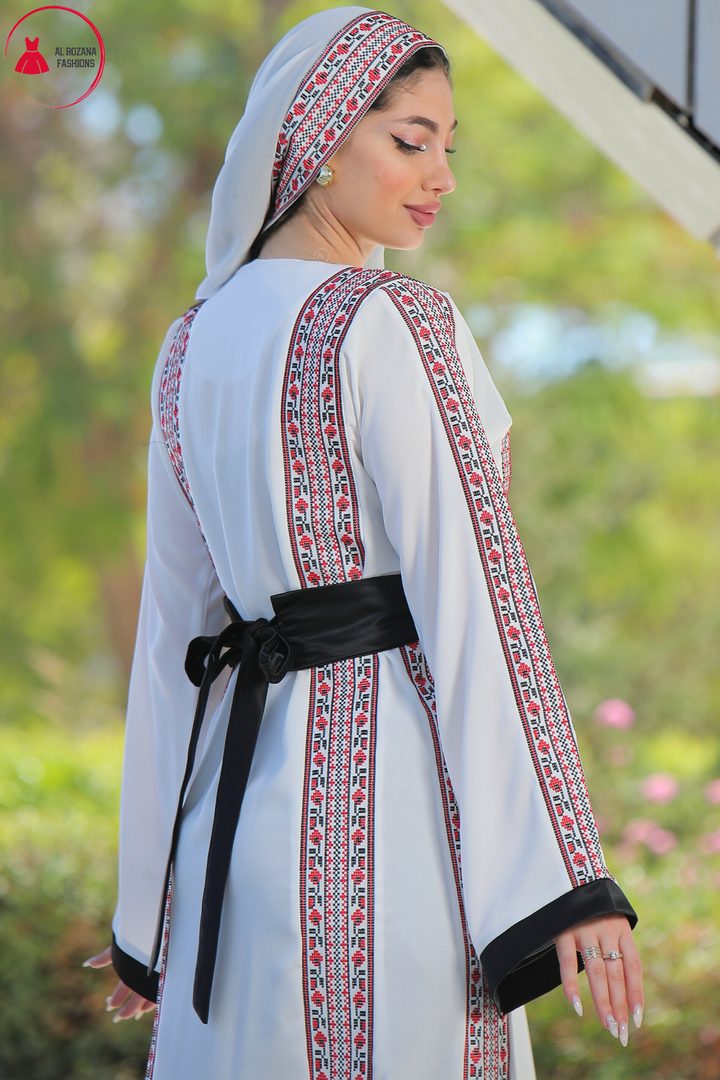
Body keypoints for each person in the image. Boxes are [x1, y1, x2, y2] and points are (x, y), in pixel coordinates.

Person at [84, 7, 644, 1078]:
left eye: (448, 146)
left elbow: (172, 648)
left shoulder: (187, 343)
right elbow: (480, 603)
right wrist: (572, 880)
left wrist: (146, 921)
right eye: (411, 139)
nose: (441, 175)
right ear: (321, 137)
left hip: (226, 858)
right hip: (388, 841)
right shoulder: (393, 322)